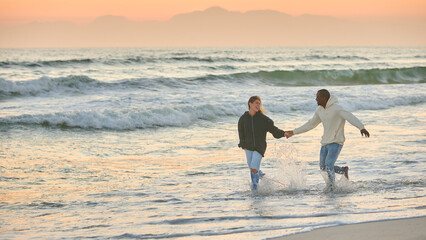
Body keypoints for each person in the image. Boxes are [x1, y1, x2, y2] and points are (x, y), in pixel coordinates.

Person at [285, 89, 370, 191]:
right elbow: (311, 124)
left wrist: (361, 127)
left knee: (329, 165)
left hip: (336, 142)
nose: (316, 99)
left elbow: (350, 116)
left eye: (318, 97)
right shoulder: (319, 110)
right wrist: (294, 132)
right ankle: (343, 170)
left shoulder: (337, 108)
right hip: (325, 143)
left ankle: (331, 187)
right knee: (323, 167)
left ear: (324, 98)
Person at [238, 96, 286, 190]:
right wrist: (243, 144)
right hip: (248, 147)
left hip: (259, 147)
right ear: (250, 104)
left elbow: (274, 130)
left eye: (259, 103)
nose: (258, 105)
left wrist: (284, 133)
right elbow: (241, 133)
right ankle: (263, 176)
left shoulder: (264, 119)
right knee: (252, 167)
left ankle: (255, 189)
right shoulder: (243, 119)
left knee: (254, 168)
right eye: (256, 103)